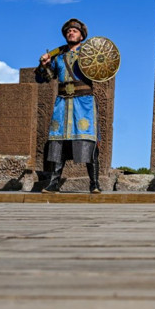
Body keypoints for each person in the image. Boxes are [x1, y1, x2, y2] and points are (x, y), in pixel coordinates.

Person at [36, 18, 101, 193]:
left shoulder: (89, 54)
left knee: (88, 141)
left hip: (84, 103)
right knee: (58, 142)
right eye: (68, 31)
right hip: (63, 103)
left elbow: (102, 69)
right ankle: (53, 183)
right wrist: (44, 65)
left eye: (74, 31)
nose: (70, 33)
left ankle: (94, 183)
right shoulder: (58, 56)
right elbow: (45, 78)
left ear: (82, 36)